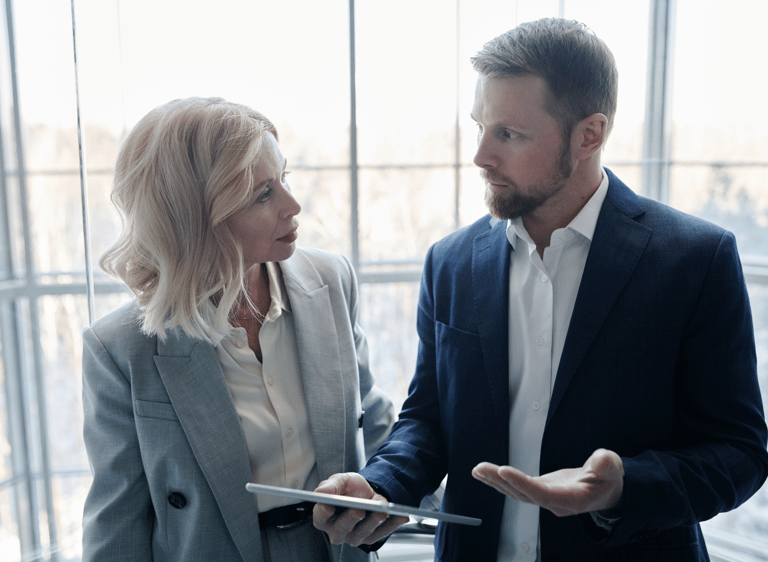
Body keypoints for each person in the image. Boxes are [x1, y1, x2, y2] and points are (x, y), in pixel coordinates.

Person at [312, 18, 768, 562]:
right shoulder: (450, 262)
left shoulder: (696, 259)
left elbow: (739, 451)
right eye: (480, 126)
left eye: (509, 134)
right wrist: (381, 486)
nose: (481, 156)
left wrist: (625, 486)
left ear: (589, 135)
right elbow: (429, 420)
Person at [81, 97, 395, 562]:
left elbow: (375, 422)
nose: (293, 205)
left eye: (284, 178)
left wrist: (387, 492)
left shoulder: (330, 282)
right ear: (196, 219)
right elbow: (118, 521)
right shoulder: (121, 348)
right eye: (263, 194)